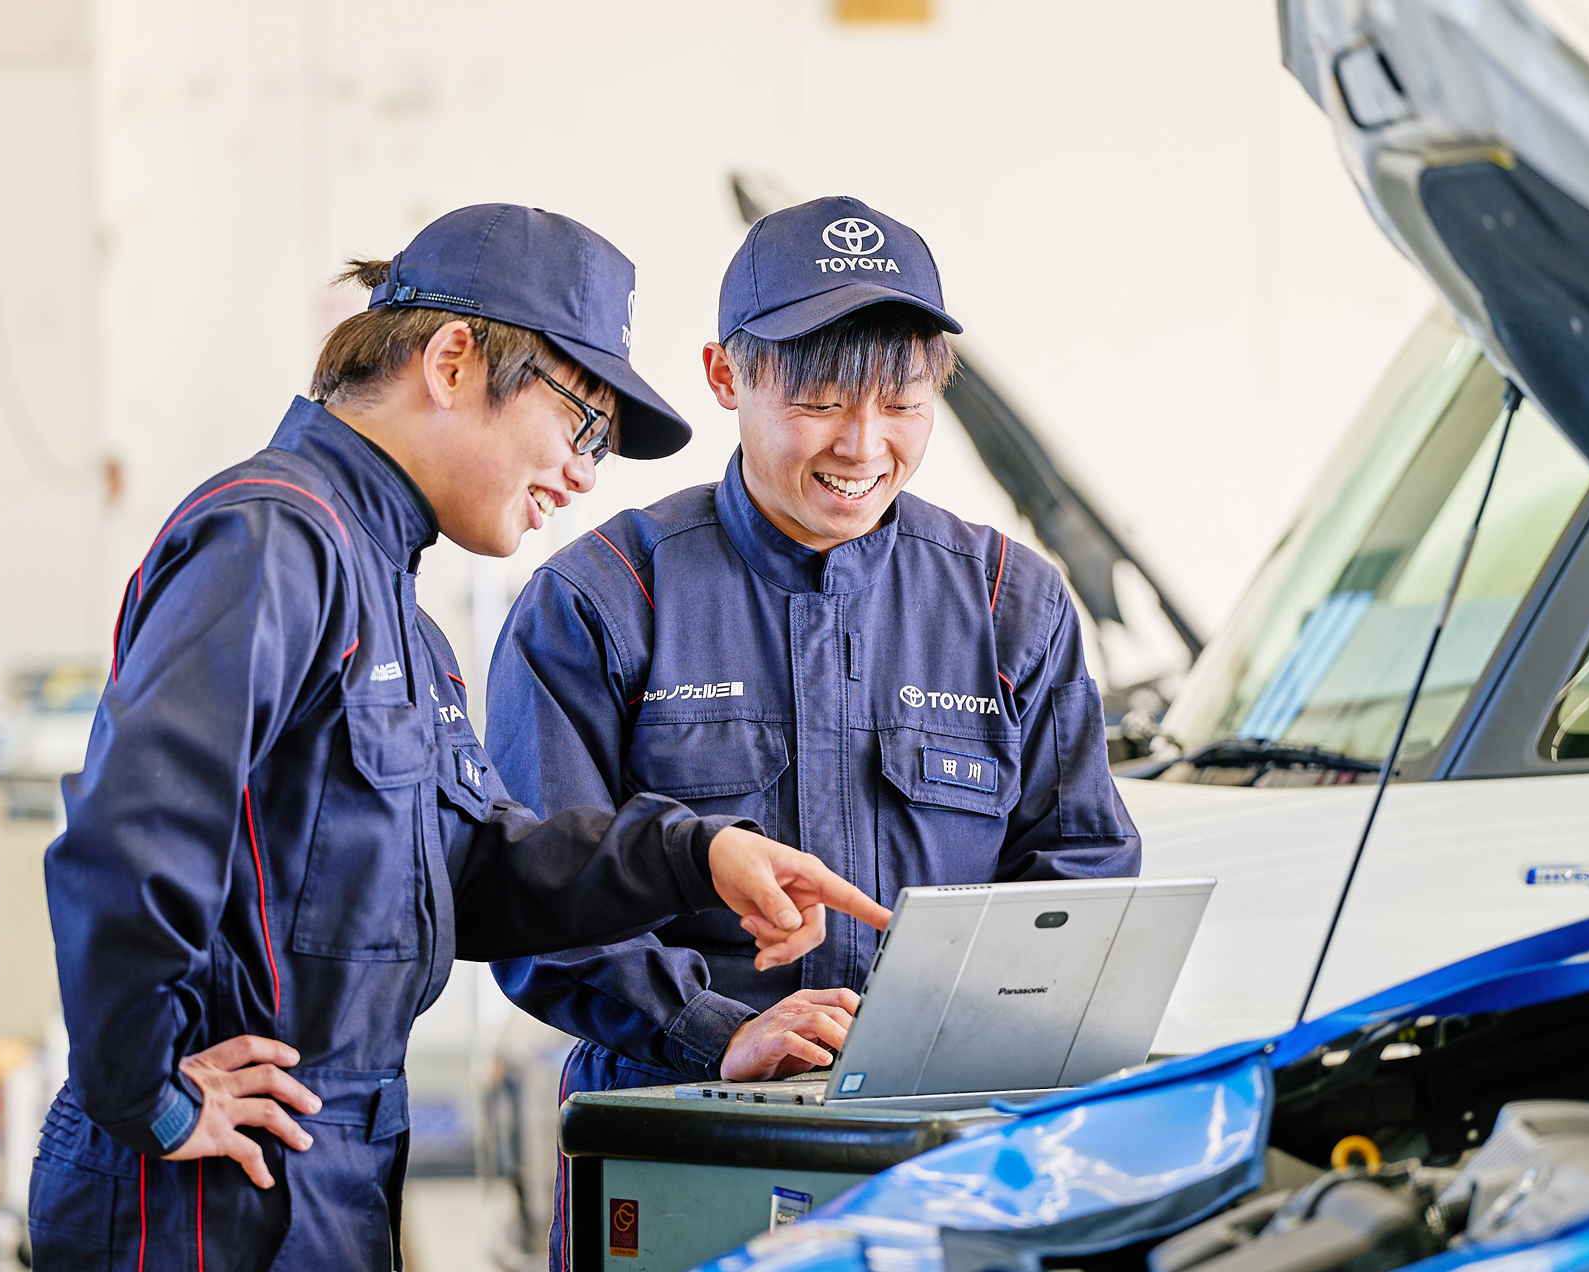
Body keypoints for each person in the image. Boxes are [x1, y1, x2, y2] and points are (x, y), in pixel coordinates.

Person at [31, 204, 889, 1271]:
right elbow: (130, 835)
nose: (585, 473)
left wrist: (695, 856)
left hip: (317, 1165)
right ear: (450, 361)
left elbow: (473, 872)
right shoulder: (274, 539)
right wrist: (146, 1096)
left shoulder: (391, 602)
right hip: (212, 1188)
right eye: (582, 425)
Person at [485, 196, 1143, 1265]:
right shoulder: (603, 602)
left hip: (938, 1155)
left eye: (903, 404)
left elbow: (1079, 874)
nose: (864, 446)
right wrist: (714, 1031)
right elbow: (538, 896)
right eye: (823, 400)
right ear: (724, 377)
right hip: (676, 1134)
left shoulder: (1009, 603)